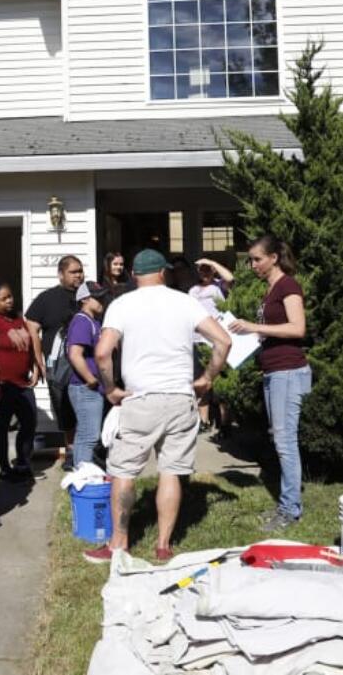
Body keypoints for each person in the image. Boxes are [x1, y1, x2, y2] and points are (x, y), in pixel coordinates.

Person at [83, 249, 231, 564]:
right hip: (179, 397)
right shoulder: (184, 301)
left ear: (134, 275)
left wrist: (110, 389)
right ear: (163, 272)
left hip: (140, 397)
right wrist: (207, 377)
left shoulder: (121, 304)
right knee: (171, 472)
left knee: (124, 470)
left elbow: (102, 353)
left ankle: (118, 544)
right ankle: (163, 545)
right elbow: (224, 341)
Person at [228, 235, 310, 533]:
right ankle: (287, 504)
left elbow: (298, 327)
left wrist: (254, 327)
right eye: (250, 259)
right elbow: (275, 330)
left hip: (288, 372)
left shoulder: (288, 285)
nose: (252, 265)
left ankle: (290, 508)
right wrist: (251, 336)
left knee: (285, 442)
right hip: (274, 371)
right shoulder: (271, 289)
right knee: (281, 439)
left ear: (274, 257)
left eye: (257, 259)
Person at [24, 255, 85, 469]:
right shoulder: (47, 298)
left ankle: (86, 454)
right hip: (57, 368)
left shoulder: (88, 296)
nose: (79, 275)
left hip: (85, 366)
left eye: (80, 271)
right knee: (64, 412)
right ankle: (71, 454)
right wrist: (37, 361)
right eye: (74, 271)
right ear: (61, 274)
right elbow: (31, 326)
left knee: (86, 410)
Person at [0, 283, 42, 482]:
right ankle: (4, 467)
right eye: (4, 299)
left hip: (22, 383)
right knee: (1, 428)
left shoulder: (17, 318)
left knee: (29, 422)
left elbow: (30, 345)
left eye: (10, 296)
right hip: (4, 384)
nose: (10, 301)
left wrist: (35, 368)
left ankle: (23, 462)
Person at [65, 281, 111, 467]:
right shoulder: (82, 321)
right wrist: (91, 380)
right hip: (85, 388)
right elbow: (75, 354)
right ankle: (82, 479)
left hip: (91, 388)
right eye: (97, 297)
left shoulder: (93, 321)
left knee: (90, 434)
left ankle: (85, 475)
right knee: (88, 436)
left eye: (102, 296)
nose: (102, 301)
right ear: (84, 299)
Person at [189, 258, 234, 434]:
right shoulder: (192, 290)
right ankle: (203, 420)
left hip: (216, 340)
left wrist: (212, 263)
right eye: (202, 269)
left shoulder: (218, 287)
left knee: (220, 382)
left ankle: (225, 422)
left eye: (208, 269)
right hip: (197, 339)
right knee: (202, 381)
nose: (205, 272)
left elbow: (230, 279)